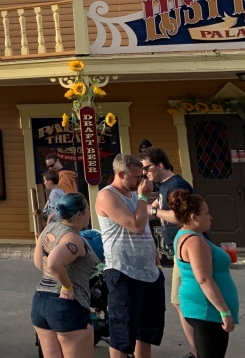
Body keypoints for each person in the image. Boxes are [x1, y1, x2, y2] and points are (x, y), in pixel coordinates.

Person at [96, 153, 165, 358]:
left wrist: (156, 262)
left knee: (146, 333)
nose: (140, 181)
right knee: (122, 334)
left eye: (141, 176)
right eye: (135, 177)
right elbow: (136, 226)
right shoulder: (107, 195)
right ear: (120, 174)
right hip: (123, 272)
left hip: (149, 273)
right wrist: (143, 197)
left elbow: (146, 230)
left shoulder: (135, 194)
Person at [142, 146, 196, 358]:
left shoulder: (176, 185)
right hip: (179, 250)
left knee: (184, 301)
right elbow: (154, 206)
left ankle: (198, 349)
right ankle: (196, 349)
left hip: (188, 248)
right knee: (179, 301)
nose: (145, 173)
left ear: (160, 165)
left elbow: (178, 216)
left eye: (147, 168)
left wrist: (154, 211)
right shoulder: (164, 186)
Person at [170, 190, 239, 358]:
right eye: (207, 213)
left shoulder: (187, 235)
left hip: (202, 309)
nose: (211, 217)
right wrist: (224, 312)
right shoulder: (195, 241)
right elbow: (204, 279)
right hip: (207, 310)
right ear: (194, 217)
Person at [31, 192, 99, 358]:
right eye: (88, 209)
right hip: (67, 306)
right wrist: (67, 286)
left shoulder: (49, 229)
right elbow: (54, 262)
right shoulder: (73, 239)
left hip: (40, 302)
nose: (90, 213)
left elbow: (39, 263)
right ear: (79, 214)